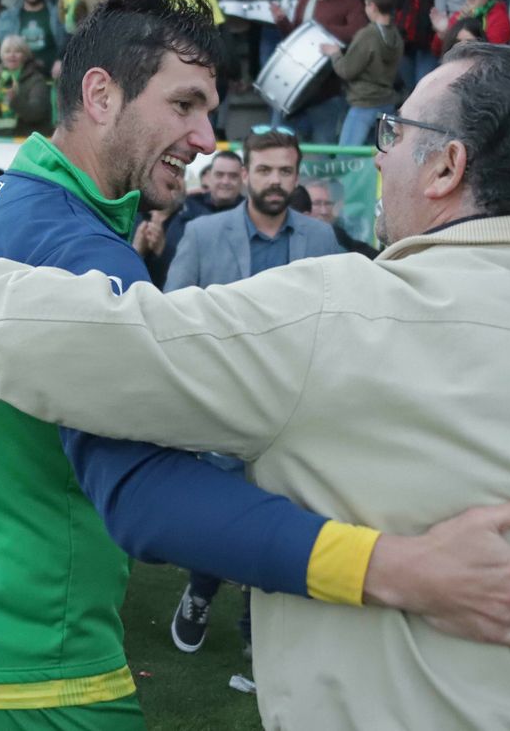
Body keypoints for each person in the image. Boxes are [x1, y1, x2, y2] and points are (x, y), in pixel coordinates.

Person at [0, 1, 510, 726]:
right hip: (26, 677)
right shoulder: (84, 249)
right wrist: (391, 566)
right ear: (100, 95)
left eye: (210, 109)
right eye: (184, 104)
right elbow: (142, 489)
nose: (209, 139)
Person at [157, 130, 343, 652]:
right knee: (223, 512)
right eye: (265, 171)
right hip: (225, 399)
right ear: (247, 175)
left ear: (297, 175)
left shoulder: (320, 238)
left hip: (296, 404)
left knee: (280, 511)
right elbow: (174, 313)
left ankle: (252, 628)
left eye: (286, 171)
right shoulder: (205, 234)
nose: (276, 181)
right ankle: (200, 586)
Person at [270, 0, 365, 143]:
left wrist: (318, 29)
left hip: (327, 95)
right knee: (278, 147)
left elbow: (358, 33)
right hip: (295, 91)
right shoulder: (306, 0)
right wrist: (282, 21)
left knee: (322, 156)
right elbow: (296, 37)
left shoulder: (352, 3)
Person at [326, 0, 403, 147]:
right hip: (387, 107)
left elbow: (346, 70)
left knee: (347, 161)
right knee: (378, 161)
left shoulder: (368, 35)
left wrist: (334, 54)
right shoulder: (396, 35)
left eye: (366, 4)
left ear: (372, 6)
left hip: (363, 106)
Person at [0, 35, 53, 137]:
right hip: (2, 140)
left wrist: (14, 100)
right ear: (2, 55)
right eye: (7, 51)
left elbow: (37, 114)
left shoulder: (36, 80)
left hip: (28, 140)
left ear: (25, 55)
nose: (12, 55)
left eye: (17, 51)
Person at [0, 0, 67, 75]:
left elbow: (69, 41)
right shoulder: (8, 16)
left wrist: (62, 60)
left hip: (53, 77)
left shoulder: (57, 14)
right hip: (19, 79)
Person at [430, 0, 510, 54]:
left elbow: (490, 52)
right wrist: (442, 33)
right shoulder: (459, 15)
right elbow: (436, 51)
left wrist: (469, 24)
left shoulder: (499, 17)